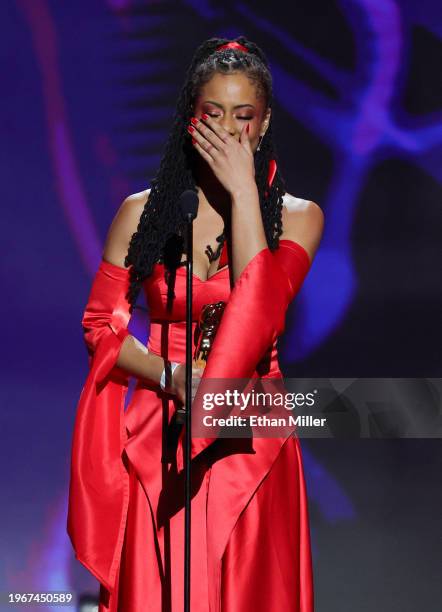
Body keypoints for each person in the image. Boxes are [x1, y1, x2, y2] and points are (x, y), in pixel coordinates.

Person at [67, 36, 324, 612]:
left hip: (250, 437)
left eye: (243, 116)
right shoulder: (144, 212)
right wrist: (173, 373)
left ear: (264, 125)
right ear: (190, 119)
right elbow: (99, 326)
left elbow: (259, 314)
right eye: (213, 114)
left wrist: (242, 195)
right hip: (162, 429)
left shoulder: (299, 218)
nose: (228, 131)